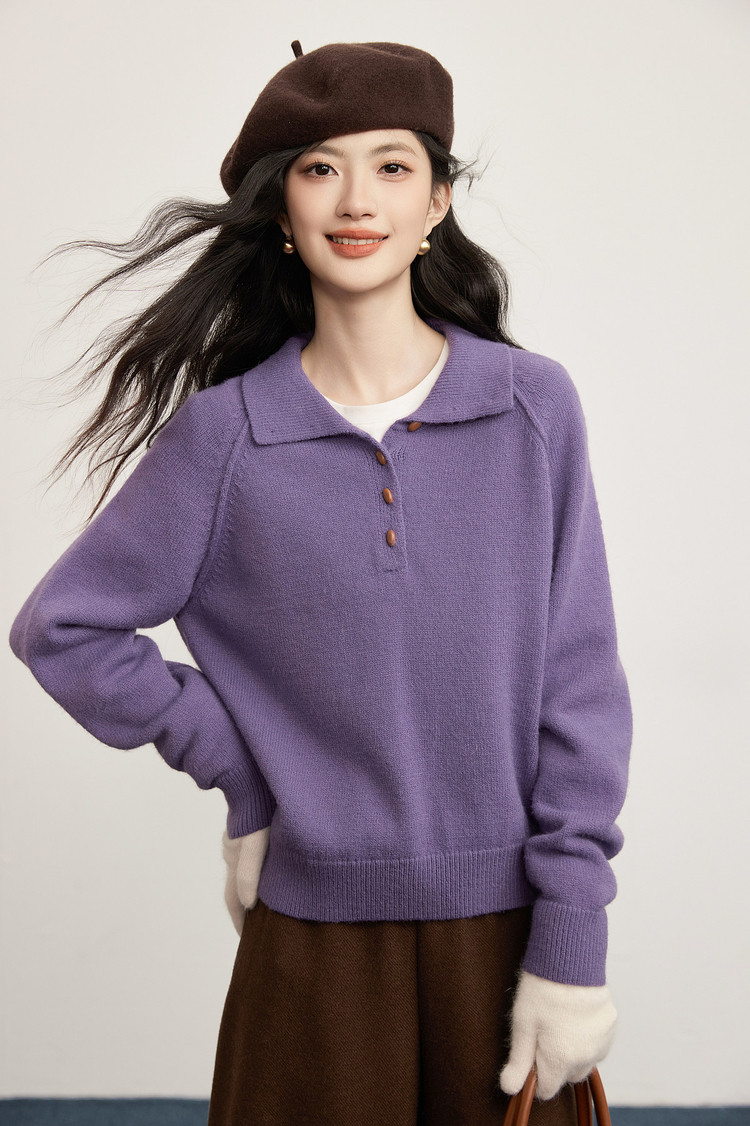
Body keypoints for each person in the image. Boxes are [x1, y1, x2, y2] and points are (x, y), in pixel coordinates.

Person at [8, 39, 632, 1126]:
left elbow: (578, 685)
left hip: (510, 938)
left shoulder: (532, 409)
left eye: (392, 166)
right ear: (283, 210)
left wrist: (573, 937)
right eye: (319, 168)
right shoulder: (225, 437)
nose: (356, 199)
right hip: (311, 952)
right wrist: (245, 773)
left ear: (437, 201)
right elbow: (62, 629)